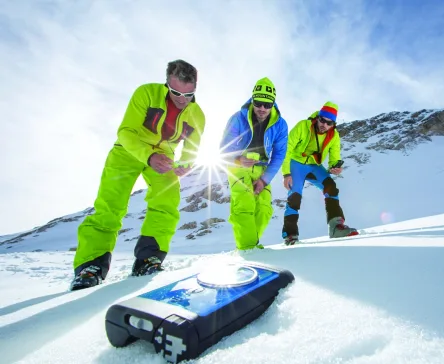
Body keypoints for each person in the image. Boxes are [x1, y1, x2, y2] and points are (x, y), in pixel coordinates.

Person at [70, 59, 206, 291]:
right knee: (111, 204)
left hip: (164, 157)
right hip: (129, 150)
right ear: (166, 84)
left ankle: (148, 259)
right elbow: (126, 131)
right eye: (176, 93)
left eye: (189, 94)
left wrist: (185, 164)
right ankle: (90, 265)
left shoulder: (197, 115)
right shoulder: (146, 93)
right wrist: (148, 156)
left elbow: (192, 149)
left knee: (167, 202)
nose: (182, 100)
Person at [219, 77, 288, 250]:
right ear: (252, 99)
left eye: (267, 104)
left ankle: (249, 245)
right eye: (258, 103)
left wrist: (264, 180)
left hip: (262, 169)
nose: (262, 108)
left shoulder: (280, 125)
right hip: (238, 166)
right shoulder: (237, 118)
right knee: (244, 205)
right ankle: (248, 250)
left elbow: (279, 155)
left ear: (273, 103)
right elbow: (223, 150)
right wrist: (238, 159)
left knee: (264, 209)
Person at [281, 101, 358, 245]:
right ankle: (290, 235)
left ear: (333, 125)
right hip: (296, 163)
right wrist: (286, 173)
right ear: (318, 117)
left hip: (314, 166)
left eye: (329, 123)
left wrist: (335, 168)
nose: (324, 125)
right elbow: (287, 149)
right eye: (322, 120)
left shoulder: (334, 136)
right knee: (295, 194)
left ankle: (336, 227)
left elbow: (334, 158)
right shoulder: (303, 126)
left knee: (331, 187)